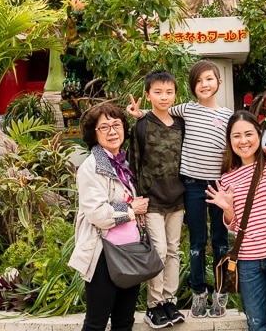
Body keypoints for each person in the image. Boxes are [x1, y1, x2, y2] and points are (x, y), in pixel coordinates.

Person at [127, 60, 233, 318]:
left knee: (222, 241)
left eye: (209, 79)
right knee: (196, 242)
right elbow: (158, 114)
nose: (204, 85)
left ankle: (223, 293)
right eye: (198, 81)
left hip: (219, 187)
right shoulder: (187, 110)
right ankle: (197, 294)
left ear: (219, 82)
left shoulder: (228, 115)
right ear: (192, 87)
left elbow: (239, 144)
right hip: (192, 187)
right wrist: (140, 115)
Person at [205, 110, 266, 331]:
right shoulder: (228, 176)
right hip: (248, 260)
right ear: (229, 140)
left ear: (259, 134)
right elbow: (233, 225)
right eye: (236, 136)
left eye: (248, 134)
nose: (243, 141)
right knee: (257, 324)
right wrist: (228, 210)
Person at [68, 102, 149, 331]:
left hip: (129, 252)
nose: (112, 131)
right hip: (103, 254)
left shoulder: (122, 163)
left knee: (124, 322)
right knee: (96, 322)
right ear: (94, 133)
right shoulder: (92, 167)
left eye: (116, 124)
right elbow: (99, 214)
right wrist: (132, 209)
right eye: (104, 127)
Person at [128, 70, 186, 328]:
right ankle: (153, 305)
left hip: (178, 198)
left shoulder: (181, 123)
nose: (164, 97)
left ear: (175, 94)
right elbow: (134, 163)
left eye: (169, 92)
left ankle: (169, 301)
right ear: (148, 94)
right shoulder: (140, 125)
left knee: (173, 250)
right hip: (151, 200)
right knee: (159, 250)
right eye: (158, 92)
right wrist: (136, 199)